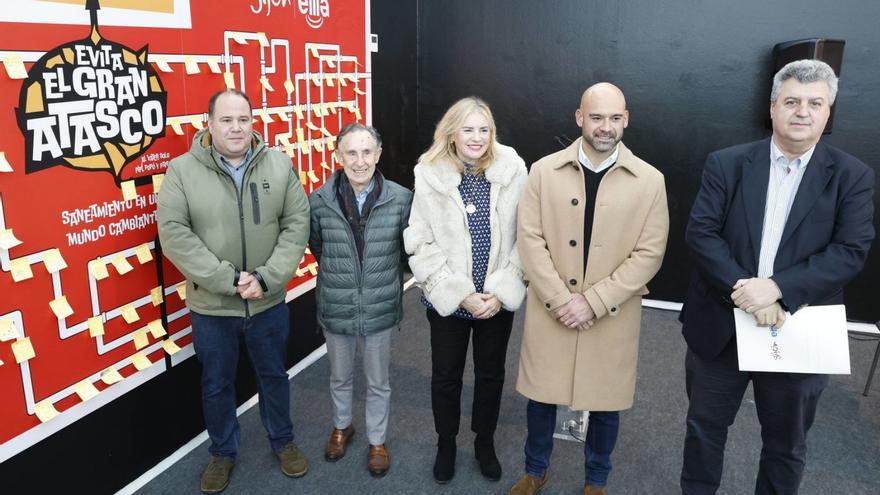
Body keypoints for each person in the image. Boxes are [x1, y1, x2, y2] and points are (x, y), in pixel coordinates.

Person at [680, 59, 875, 494]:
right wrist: (748, 293)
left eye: (814, 102)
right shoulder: (726, 164)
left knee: (786, 445)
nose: (802, 111)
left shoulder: (852, 177)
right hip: (721, 327)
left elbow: (849, 252)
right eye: (791, 101)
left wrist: (777, 289)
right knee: (703, 432)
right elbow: (702, 233)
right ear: (772, 108)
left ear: (828, 112)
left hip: (799, 331)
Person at [510, 82, 669, 495]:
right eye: (597, 118)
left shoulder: (650, 181)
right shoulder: (543, 171)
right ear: (580, 118)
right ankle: (534, 471)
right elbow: (530, 239)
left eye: (615, 119)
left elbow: (649, 254)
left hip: (611, 314)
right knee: (541, 400)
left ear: (626, 120)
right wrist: (562, 300)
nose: (606, 127)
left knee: (606, 405)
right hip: (553, 308)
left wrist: (593, 302)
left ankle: (596, 482)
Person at [157, 89, 310, 494]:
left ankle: (283, 441)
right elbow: (174, 235)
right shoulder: (181, 171)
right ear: (209, 124)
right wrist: (229, 280)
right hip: (212, 307)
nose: (236, 127)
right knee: (217, 384)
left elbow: (297, 223)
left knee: (274, 376)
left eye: (243, 118)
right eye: (226, 120)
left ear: (252, 121)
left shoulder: (278, 163)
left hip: (268, 301)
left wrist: (266, 277)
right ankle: (223, 452)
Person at [404, 96, 528, 484]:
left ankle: (484, 441)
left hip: (495, 301)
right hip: (449, 300)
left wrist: (502, 290)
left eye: (484, 129)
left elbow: (526, 235)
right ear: (452, 133)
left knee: (491, 374)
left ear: (493, 133)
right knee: (446, 375)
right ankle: (446, 442)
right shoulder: (429, 172)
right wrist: (459, 293)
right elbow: (420, 241)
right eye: (468, 129)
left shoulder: (513, 168)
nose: (477, 137)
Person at [308, 123, 411, 477]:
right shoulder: (319, 201)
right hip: (336, 304)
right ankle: (342, 426)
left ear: (378, 155)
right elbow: (319, 248)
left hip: (380, 305)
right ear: (338, 156)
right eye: (351, 153)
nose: (359, 161)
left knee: (378, 380)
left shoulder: (401, 198)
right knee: (339, 377)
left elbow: (404, 252)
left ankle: (377, 440)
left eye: (367, 152)